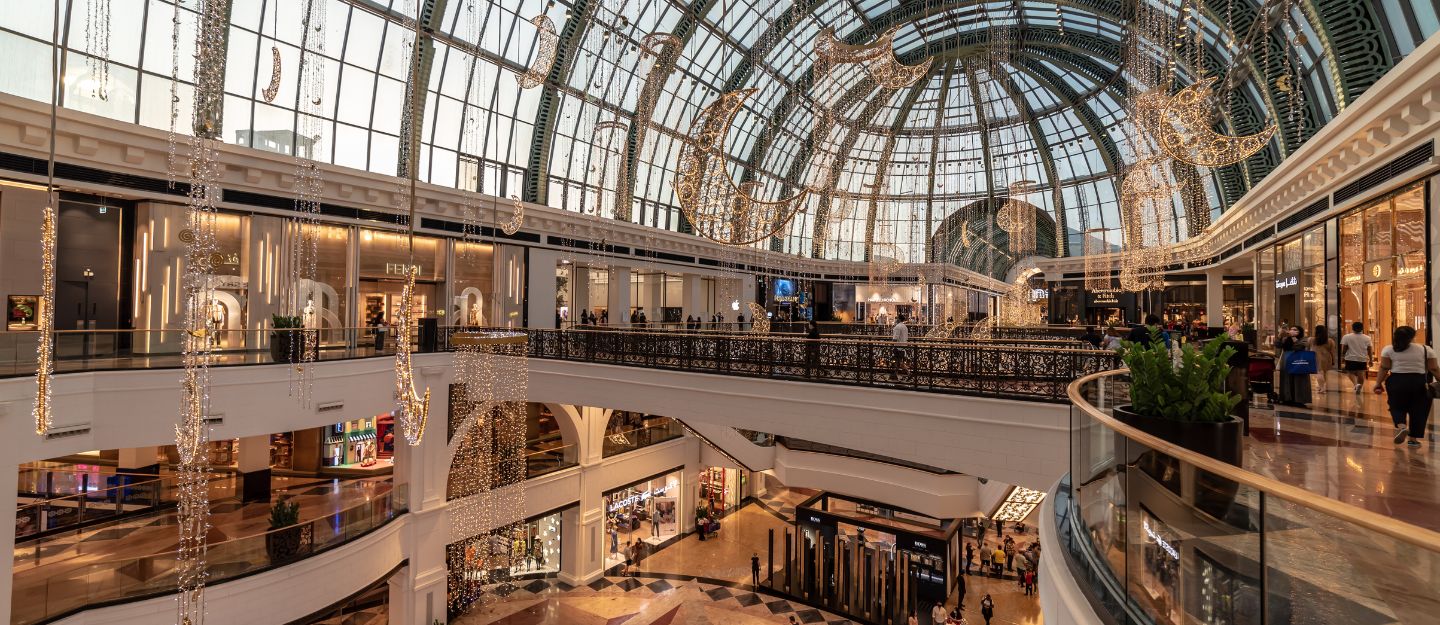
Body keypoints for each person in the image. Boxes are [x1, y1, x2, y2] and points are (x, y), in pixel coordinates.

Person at [1375, 325, 1438, 447]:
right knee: (1419, 410)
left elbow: (1384, 367)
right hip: (1418, 382)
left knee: (1396, 406)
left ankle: (1402, 426)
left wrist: (1378, 383)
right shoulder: (1425, 349)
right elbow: (1434, 368)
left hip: (1396, 381)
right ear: (1413, 336)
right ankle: (1413, 440)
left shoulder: (1388, 349)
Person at [1277, 325, 1312, 407]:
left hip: (1299, 362)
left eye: (1295, 330)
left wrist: (1293, 338)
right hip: (1286, 361)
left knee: (1299, 381)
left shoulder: (1304, 339)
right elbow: (1278, 345)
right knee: (1287, 380)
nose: (1292, 330)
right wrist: (1279, 335)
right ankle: (1286, 398)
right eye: (1291, 329)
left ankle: (1299, 400)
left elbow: (1299, 347)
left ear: (1299, 332)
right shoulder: (1285, 339)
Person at [1341, 321, 1373, 393]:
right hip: (1362, 358)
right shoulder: (1367, 338)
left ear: (1352, 328)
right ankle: (1359, 386)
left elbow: (1345, 348)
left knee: (1350, 372)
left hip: (1350, 358)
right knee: (1361, 373)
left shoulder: (1347, 337)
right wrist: (1371, 359)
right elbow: (1370, 349)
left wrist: (1342, 357)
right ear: (1362, 328)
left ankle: (1356, 385)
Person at [1312, 325, 1336, 393]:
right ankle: (1322, 386)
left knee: (1319, 372)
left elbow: (1308, 349)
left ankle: (1322, 388)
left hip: (1316, 357)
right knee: (1324, 373)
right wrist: (1333, 360)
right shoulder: (1330, 341)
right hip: (1327, 358)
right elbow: (1332, 352)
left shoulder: (1312, 340)